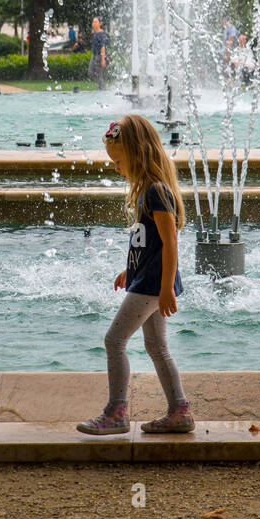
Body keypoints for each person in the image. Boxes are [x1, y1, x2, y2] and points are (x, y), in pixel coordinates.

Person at [77, 114, 193, 436]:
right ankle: (179, 411)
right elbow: (149, 242)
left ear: (137, 154)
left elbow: (171, 242)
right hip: (148, 280)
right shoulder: (147, 191)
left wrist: (167, 288)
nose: (116, 168)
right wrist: (129, 270)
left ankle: (116, 413)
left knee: (114, 340)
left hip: (154, 284)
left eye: (118, 161)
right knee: (157, 347)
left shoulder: (156, 191)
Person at [89, 17, 107, 89]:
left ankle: (102, 88)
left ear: (100, 23)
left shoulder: (101, 34)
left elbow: (103, 47)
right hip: (94, 56)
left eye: (96, 22)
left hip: (99, 56)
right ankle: (101, 85)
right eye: (93, 22)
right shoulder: (95, 33)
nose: (94, 23)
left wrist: (103, 59)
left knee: (99, 74)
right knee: (90, 73)